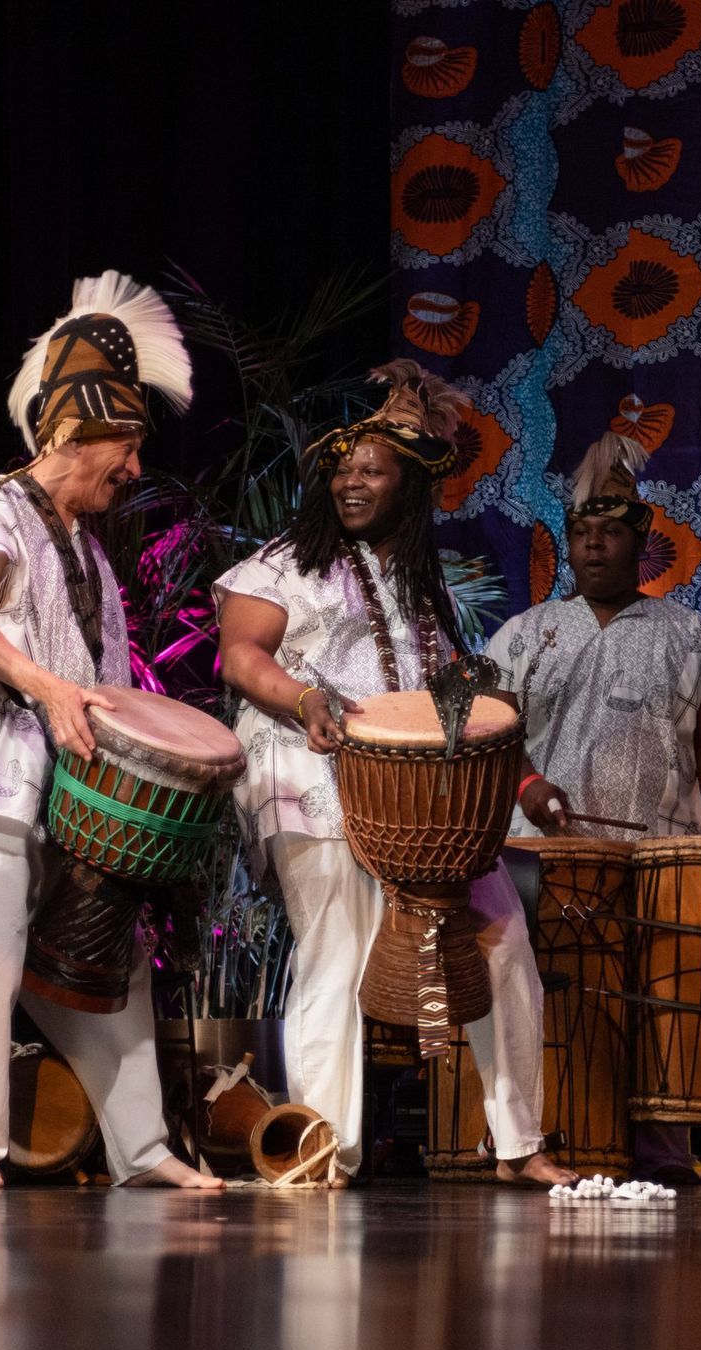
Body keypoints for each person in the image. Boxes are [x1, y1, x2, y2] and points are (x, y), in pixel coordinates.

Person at [215, 360, 577, 1187]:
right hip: (304, 773)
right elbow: (239, 653)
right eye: (342, 467)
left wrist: (523, 783)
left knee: (499, 935)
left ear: (410, 486)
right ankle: (325, 1148)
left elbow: (458, 708)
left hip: (416, 802)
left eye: (371, 470)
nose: (351, 481)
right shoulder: (286, 560)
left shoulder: (418, 589)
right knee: (335, 949)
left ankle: (519, 1142)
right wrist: (305, 696)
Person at [0, 272, 220, 1190]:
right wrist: (46, 689)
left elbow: (109, 693)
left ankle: (144, 1147)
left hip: (73, 795)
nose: (133, 470)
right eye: (122, 448)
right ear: (69, 435)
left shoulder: (91, 553)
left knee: (106, 966)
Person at [486, 429, 701, 1182]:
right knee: (550, 1005)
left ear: (642, 541)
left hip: (659, 858)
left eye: (610, 532)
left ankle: (663, 1157)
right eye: (581, 533)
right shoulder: (524, 636)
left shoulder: (685, 634)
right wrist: (530, 788)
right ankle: (539, 1140)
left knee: (657, 1005)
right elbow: (491, 736)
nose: (593, 546)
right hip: (542, 861)